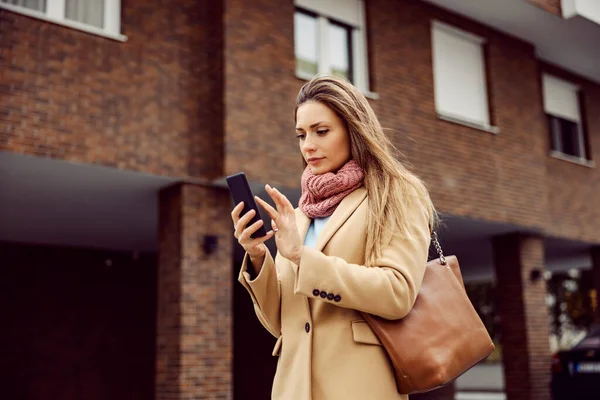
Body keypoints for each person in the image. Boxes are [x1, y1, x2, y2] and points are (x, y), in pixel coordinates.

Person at [231, 75, 437, 400]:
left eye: (321, 131)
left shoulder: (395, 193)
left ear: (353, 129)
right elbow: (281, 326)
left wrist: (302, 257)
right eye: (301, 135)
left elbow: (397, 293)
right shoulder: (299, 215)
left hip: (360, 387)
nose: (308, 145)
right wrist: (257, 256)